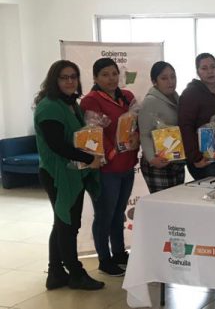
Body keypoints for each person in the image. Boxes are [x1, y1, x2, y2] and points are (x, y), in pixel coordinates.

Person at [34, 60, 104, 291]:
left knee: (63, 222)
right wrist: (89, 159)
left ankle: (55, 272)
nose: (70, 81)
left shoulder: (71, 103)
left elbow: (77, 138)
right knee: (68, 224)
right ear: (54, 80)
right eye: (64, 77)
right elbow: (57, 145)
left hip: (71, 172)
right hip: (58, 174)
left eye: (73, 76)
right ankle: (76, 274)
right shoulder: (49, 107)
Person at [80, 57, 139, 277]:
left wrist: (136, 137)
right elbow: (93, 133)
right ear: (95, 78)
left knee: (118, 213)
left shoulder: (128, 96)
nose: (111, 78)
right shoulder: (91, 101)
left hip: (127, 164)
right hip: (106, 168)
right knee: (105, 214)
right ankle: (104, 259)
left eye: (114, 73)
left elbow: (136, 124)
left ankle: (119, 253)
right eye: (105, 75)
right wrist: (112, 151)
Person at [178, 53, 215, 180]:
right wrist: (195, 157)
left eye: (213, 67)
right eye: (204, 68)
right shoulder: (190, 94)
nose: (210, 71)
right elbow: (185, 127)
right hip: (203, 157)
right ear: (198, 71)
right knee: (213, 188)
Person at [138, 61, 185, 193]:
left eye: (173, 76)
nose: (170, 81)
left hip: (175, 160)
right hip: (158, 162)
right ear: (154, 81)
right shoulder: (150, 101)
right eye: (164, 78)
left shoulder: (177, 98)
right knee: (163, 203)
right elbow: (144, 133)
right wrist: (152, 159)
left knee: (176, 201)